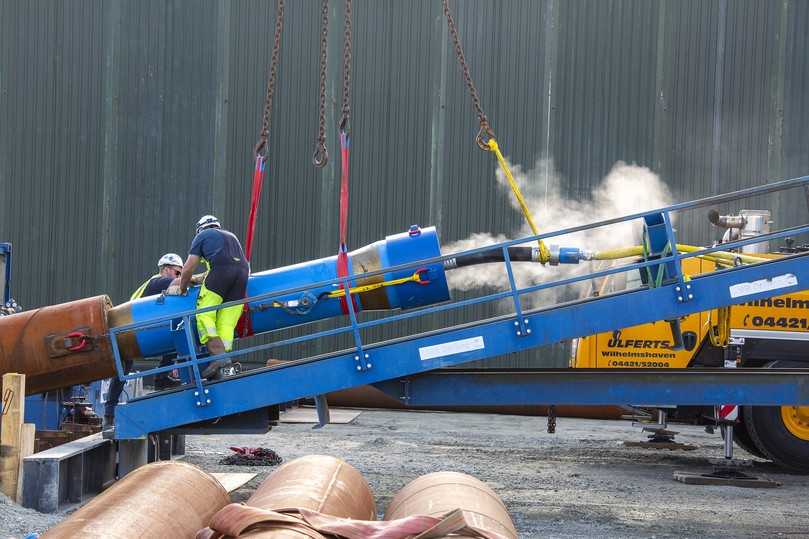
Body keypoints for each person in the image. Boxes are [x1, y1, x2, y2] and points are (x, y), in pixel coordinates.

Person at [104, 253, 184, 427]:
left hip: (129, 330)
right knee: (122, 371)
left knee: (123, 371)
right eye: (178, 272)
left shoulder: (154, 285)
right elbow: (179, 284)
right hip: (128, 331)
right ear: (166, 269)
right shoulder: (158, 281)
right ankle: (110, 414)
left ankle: (109, 414)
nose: (179, 276)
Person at [171, 215, 250, 379]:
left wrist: (183, 288)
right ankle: (226, 362)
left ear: (200, 229)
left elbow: (188, 268)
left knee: (205, 314)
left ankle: (218, 359)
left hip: (221, 271)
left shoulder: (202, 236)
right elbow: (233, 262)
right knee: (227, 321)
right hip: (243, 274)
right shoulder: (231, 236)